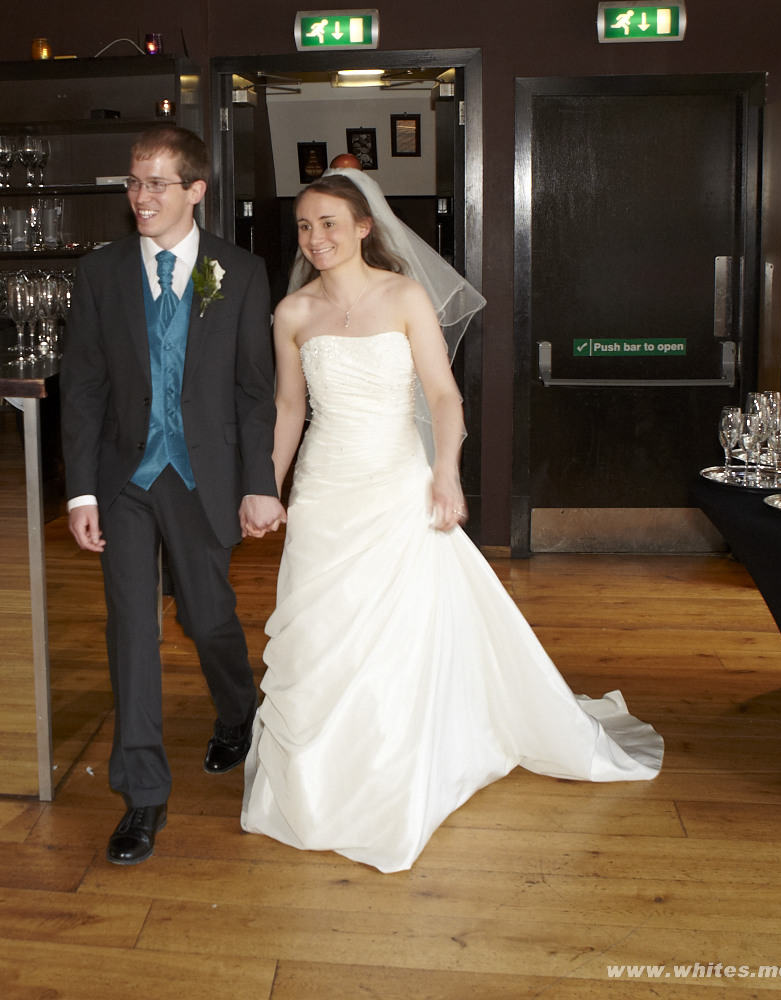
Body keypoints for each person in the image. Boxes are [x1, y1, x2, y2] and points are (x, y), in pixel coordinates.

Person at [239, 170, 663, 873]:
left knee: (399, 626)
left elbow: (442, 396)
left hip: (395, 481)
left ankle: (396, 764)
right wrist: (268, 487)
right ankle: (320, 773)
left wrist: (445, 473)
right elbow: (290, 408)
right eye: (305, 227)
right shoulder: (292, 312)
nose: (315, 238)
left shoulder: (404, 296)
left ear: (364, 227)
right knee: (320, 628)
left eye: (329, 224)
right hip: (324, 489)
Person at [61, 124, 282, 865]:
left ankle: (239, 710)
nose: (140, 196)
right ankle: (143, 793)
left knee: (206, 614)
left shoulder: (240, 271)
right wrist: (81, 493)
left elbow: (254, 392)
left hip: (202, 474)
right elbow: (83, 387)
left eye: (156, 183)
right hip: (124, 479)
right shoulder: (100, 272)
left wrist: (259, 483)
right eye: (133, 182)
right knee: (131, 627)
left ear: (195, 190)